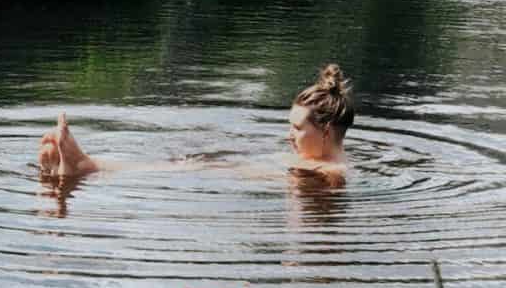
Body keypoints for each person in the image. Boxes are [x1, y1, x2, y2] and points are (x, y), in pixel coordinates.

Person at [37, 64, 355, 183]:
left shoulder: (330, 174)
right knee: (183, 163)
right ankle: (83, 165)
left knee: (185, 167)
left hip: (241, 172)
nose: (289, 136)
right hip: (241, 168)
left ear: (326, 131)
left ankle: (84, 166)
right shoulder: (315, 164)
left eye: (297, 129)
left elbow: (327, 175)